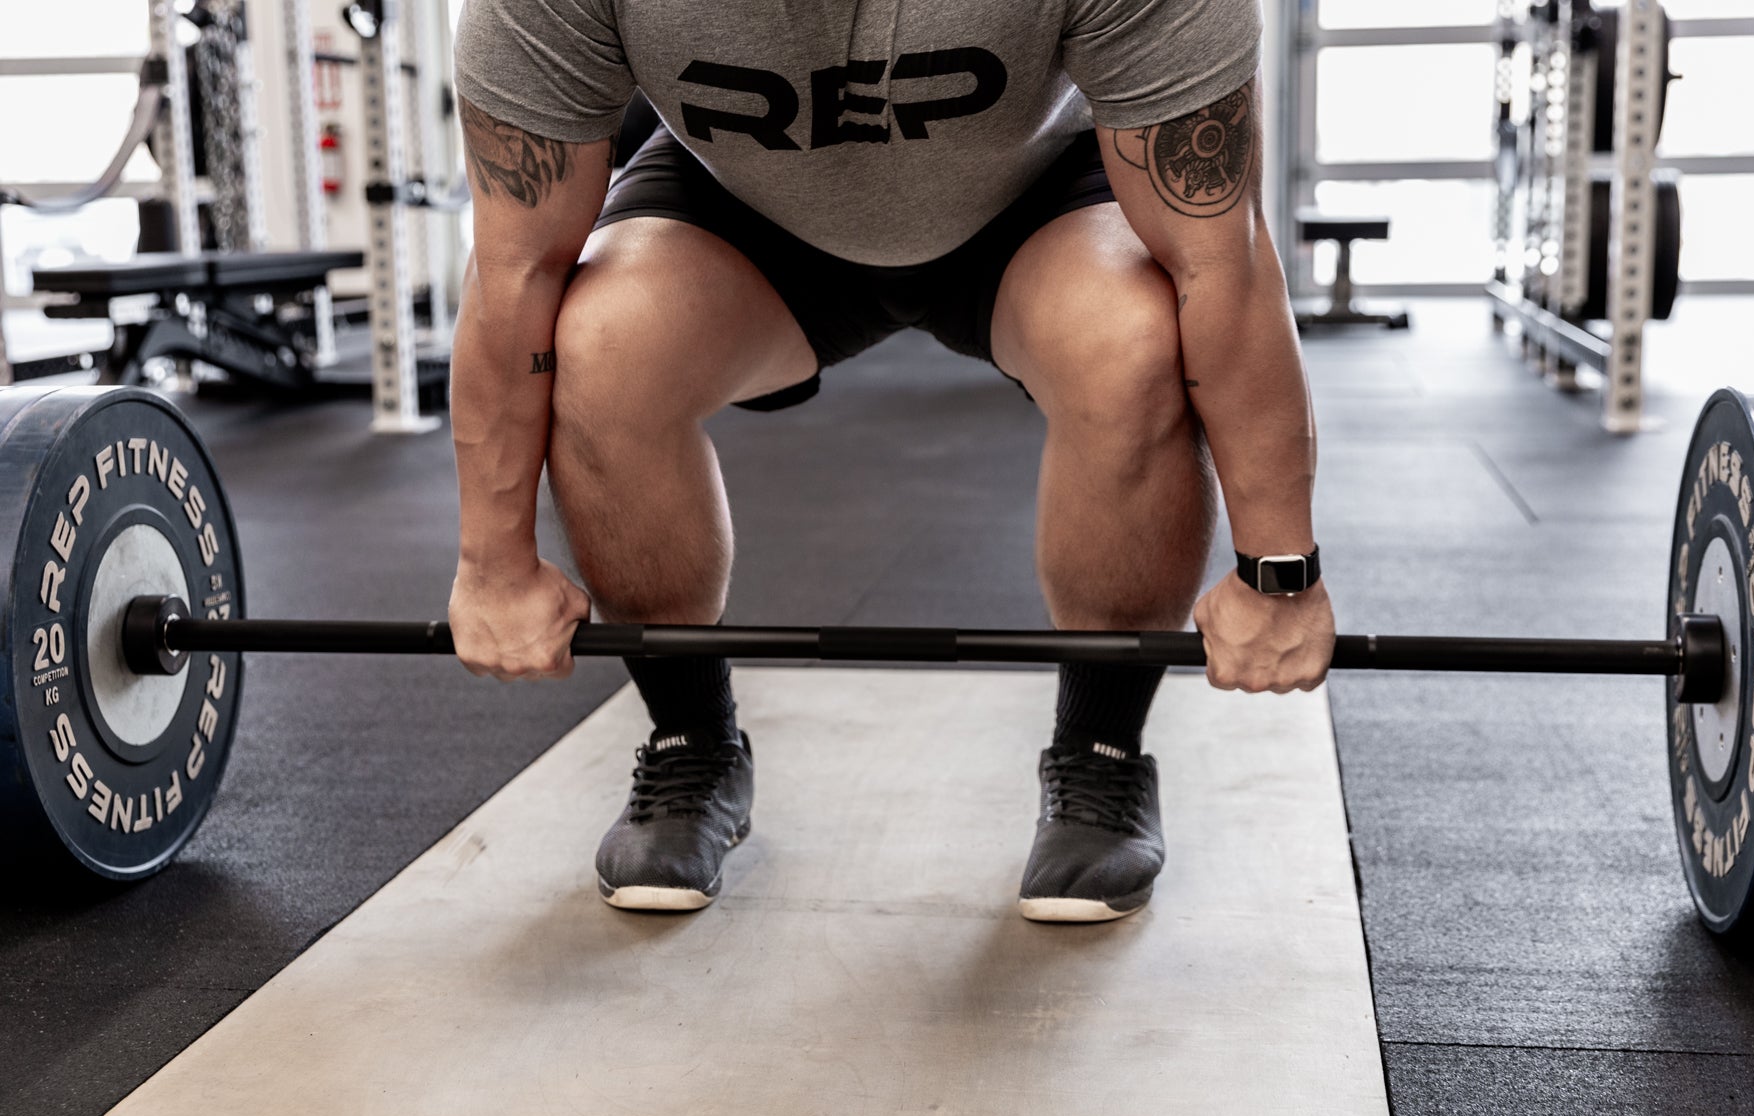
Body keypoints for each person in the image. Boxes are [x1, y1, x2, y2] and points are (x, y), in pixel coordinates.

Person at [446, 0, 1336, 922]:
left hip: (1031, 192)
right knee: (601, 351)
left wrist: (1278, 573)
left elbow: (1221, 265)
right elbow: (516, 273)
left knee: (1135, 345)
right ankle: (690, 744)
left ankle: (1101, 755)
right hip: (743, 204)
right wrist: (495, 565)